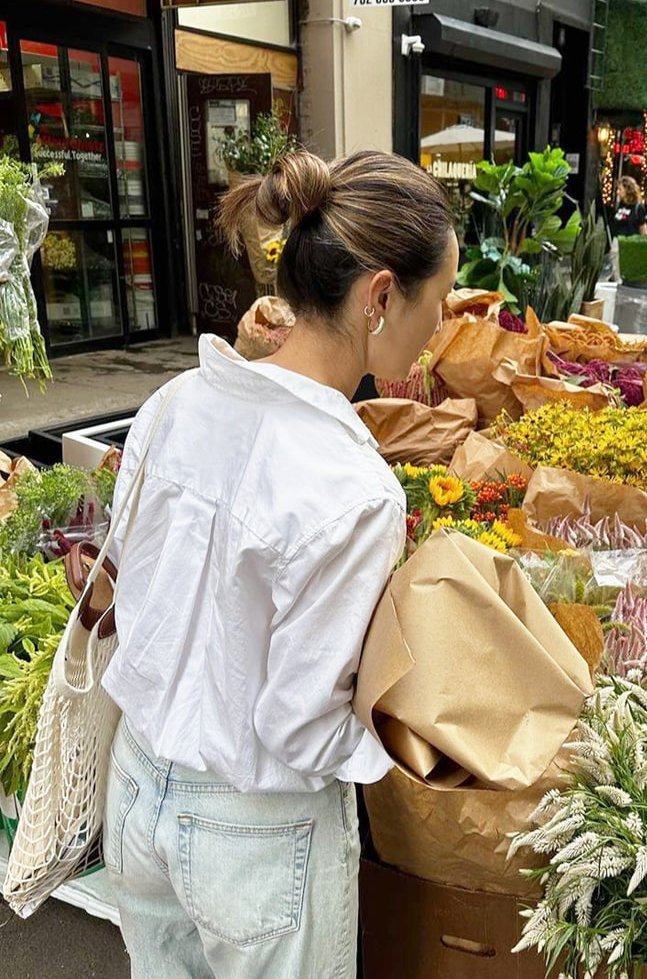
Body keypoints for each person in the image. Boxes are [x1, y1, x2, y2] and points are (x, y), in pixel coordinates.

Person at [101, 149, 458, 978]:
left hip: (136, 787)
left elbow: (130, 585)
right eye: (437, 300)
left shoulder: (174, 402)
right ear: (378, 297)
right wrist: (412, 752)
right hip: (250, 832)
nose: (441, 324)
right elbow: (298, 723)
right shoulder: (354, 487)